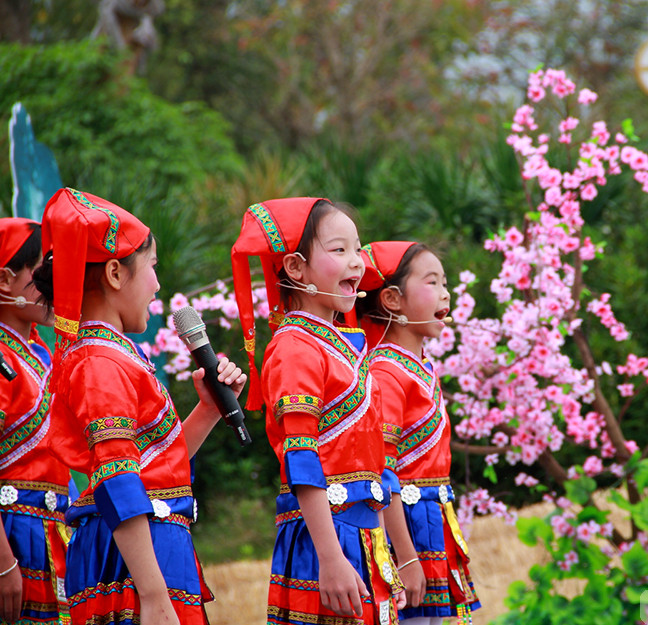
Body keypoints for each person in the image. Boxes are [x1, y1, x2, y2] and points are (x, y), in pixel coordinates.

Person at [34, 188, 246, 625]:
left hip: (145, 548)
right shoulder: (99, 361)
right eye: (152, 267)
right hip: (133, 562)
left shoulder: (113, 354)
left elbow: (154, 467)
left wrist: (207, 409)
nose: (158, 284)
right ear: (115, 272)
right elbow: (117, 479)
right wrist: (152, 594)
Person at [231, 198, 401, 625]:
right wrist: (330, 556)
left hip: (364, 536)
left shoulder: (342, 343)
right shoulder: (293, 347)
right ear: (294, 268)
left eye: (358, 250)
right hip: (327, 538)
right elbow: (300, 456)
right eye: (339, 250)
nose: (357, 262)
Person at [355, 242, 479, 625]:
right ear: (392, 299)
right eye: (432, 282)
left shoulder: (419, 367)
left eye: (446, 283)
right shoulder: (386, 375)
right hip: (403, 528)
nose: (446, 294)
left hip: (429, 520)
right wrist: (406, 558)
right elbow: (382, 472)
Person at [0, 217, 71, 624]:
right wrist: (4, 563)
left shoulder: (44, 354)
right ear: (5, 280)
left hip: (51, 534)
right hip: (12, 537)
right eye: (41, 273)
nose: (52, 286)